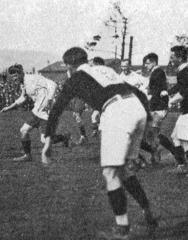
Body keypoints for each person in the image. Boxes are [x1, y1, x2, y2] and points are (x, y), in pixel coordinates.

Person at [42, 47, 157, 239]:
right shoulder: (106, 70)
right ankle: (147, 211)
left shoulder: (76, 77)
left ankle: (122, 229)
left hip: (116, 110)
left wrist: (47, 142)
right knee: (126, 171)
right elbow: (138, 92)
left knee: (110, 172)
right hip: (136, 107)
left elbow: (57, 109)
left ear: (70, 65)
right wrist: (150, 123)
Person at [1, 64, 70, 162]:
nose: (14, 78)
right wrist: (9, 107)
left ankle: (64, 137)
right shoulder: (23, 83)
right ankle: (27, 156)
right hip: (36, 111)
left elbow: (53, 84)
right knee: (23, 130)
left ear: (21, 73)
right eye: (12, 77)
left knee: (43, 140)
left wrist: (50, 100)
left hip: (46, 113)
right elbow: (23, 97)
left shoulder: (33, 78)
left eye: (16, 75)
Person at [168, 45, 188, 174]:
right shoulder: (183, 70)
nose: (171, 60)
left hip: (187, 110)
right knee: (176, 136)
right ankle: (182, 165)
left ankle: (183, 166)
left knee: (183, 139)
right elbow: (180, 87)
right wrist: (168, 92)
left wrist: (171, 101)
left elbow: (185, 91)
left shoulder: (185, 71)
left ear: (180, 58)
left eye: (172, 57)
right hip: (185, 110)